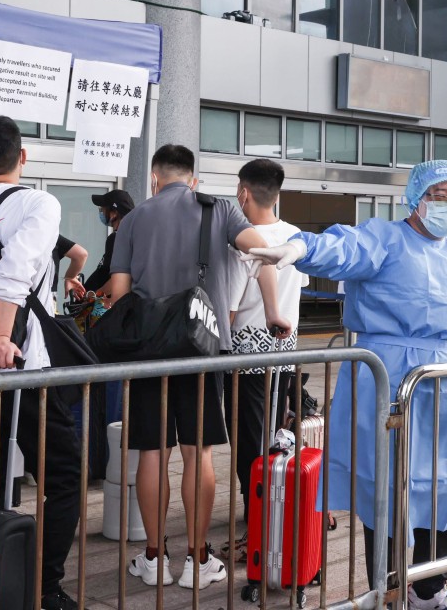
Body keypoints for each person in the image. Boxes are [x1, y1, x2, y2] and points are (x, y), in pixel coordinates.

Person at [249, 160, 447, 610]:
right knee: (386, 488)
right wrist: (301, 249)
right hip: (386, 383)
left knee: (444, 485)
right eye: (439, 196)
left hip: (443, 388)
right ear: (417, 198)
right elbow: (343, 248)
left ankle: (429, 588)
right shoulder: (384, 239)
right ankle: (388, 589)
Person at [111, 144, 290, 590]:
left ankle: (153, 558)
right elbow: (255, 245)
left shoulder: (132, 220)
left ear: (155, 179)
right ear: (193, 178)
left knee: (152, 453)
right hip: (202, 346)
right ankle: (198, 559)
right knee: (198, 452)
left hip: (149, 351)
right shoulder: (221, 209)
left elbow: (118, 295)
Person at [0, 114, 84, 610]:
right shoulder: (37, 203)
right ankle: (39, 586)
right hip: (21, 364)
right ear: (22, 156)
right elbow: (14, 274)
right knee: (64, 473)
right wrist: (1, 337)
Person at [223, 158, 308, 555]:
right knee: (272, 432)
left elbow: (233, 307)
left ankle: (255, 513)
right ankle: (267, 507)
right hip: (284, 350)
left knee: (247, 439)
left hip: (246, 352)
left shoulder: (245, 237)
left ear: (243, 193)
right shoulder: (295, 236)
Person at [84, 189, 134, 296]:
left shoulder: (117, 238)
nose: (101, 212)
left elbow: (117, 278)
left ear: (114, 213)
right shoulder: (131, 236)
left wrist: (95, 296)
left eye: (103, 209)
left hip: (105, 305)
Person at [52, 235, 88, 306]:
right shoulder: (51, 235)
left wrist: (70, 277)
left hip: (27, 293)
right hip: (45, 296)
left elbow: (81, 255)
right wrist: (70, 277)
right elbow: (81, 255)